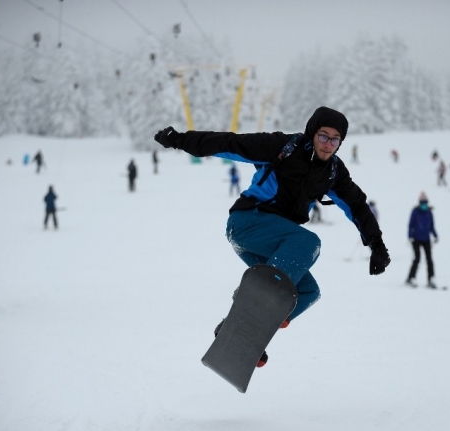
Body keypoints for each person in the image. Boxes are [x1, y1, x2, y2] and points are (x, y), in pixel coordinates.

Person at [154, 106, 390, 367]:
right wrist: (179, 140)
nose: (328, 144)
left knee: (308, 292)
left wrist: (377, 245)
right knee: (309, 242)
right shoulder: (282, 147)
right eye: (323, 136)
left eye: (335, 139)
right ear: (312, 132)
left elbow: (357, 205)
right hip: (247, 223)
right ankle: (248, 309)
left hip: (275, 242)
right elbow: (230, 143)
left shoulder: (333, 172)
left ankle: (247, 336)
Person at [405, 192, 438, 288]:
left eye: (425, 202)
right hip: (416, 239)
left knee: (429, 260)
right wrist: (410, 237)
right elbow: (410, 225)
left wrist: (435, 235)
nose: (424, 204)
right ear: (419, 202)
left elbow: (431, 226)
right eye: (422, 202)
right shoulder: (415, 212)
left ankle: (431, 279)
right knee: (417, 259)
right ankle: (411, 278)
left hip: (426, 239)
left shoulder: (429, 213)